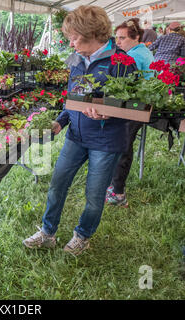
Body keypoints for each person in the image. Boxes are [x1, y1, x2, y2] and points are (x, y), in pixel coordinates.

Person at [22, 5, 137, 255]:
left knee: (94, 197)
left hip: (106, 141)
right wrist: (60, 122)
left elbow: (134, 105)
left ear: (92, 32)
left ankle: (82, 235)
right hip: (76, 136)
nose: (71, 43)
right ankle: (47, 232)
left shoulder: (122, 62)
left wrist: (112, 111)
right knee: (57, 184)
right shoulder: (77, 60)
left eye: (74, 37)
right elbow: (73, 99)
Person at [105, 18, 155, 207]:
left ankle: (118, 193)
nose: (118, 42)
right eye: (116, 38)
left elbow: (128, 87)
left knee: (122, 146)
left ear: (135, 38)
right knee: (123, 146)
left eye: (122, 38)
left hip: (136, 107)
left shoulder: (134, 57)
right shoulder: (141, 50)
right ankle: (115, 187)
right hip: (139, 104)